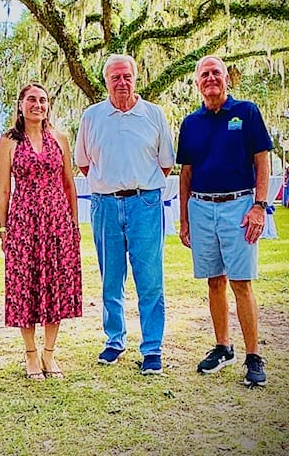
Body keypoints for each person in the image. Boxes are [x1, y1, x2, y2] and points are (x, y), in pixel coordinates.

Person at [74, 53, 175, 375]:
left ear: (135, 77)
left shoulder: (154, 115)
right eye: (115, 77)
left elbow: (166, 163)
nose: (121, 82)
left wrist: (136, 184)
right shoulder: (92, 116)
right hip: (105, 204)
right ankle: (114, 340)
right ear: (106, 81)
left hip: (144, 203)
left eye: (126, 76)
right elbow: (84, 162)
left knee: (150, 280)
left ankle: (152, 348)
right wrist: (110, 182)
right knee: (110, 279)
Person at [177, 55, 273, 387]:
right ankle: (222, 346)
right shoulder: (190, 123)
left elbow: (262, 162)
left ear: (227, 78)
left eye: (216, 72)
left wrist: (260, 206)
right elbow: (185, 174)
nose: (211, 78)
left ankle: (253, 355)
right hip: (201, 208)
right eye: (204, 75)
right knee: (214, 281)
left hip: (239, 207)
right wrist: (184, 219)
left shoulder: (246, 112)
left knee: (241, 283)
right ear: (197, 83)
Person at [0, 83, 82, 380]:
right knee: (26, 286)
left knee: (55, 285)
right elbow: (4, 188)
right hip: (23, 221)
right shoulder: (8, 141)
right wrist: (4, 227)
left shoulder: (60, 138)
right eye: (31, 99)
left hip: (57, 220)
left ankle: (49, 354)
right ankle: (30, 354)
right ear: (20, 104)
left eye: (43, 100)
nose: (38, 104)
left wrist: (74, 224)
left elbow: (69, 183)